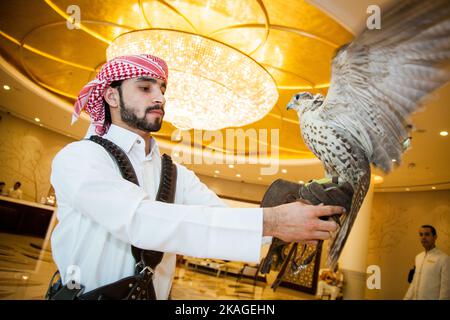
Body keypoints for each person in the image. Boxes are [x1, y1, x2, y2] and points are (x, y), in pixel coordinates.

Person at [49, 54, 349, 300]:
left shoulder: (175, 173)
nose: (160, 97)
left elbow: (221, 219)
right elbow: (141, 221)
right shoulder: (80, 158)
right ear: (111, 96)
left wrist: (299, 217)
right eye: (145, 88)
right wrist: (274, 221)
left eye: (162, 88)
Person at [404, 225, 450, 300]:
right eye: (421, 234)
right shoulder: (418, 257)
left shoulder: (444, 259)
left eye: (427, 234)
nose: (423, 237)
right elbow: (414, 283)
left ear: (435, 237)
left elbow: (446, 290)